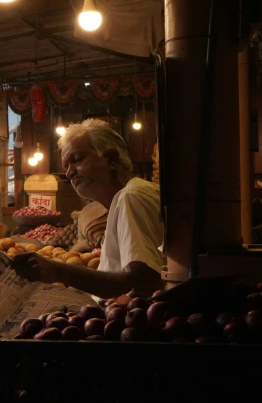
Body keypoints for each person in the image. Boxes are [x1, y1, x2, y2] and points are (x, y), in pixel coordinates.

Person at [13, 118, 164, 299]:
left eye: (77, 160)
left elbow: (142, 281)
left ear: (110, 159)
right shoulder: (123, 201)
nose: (69, 172)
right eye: (66, 166)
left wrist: (59, 271)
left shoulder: (132, 196)